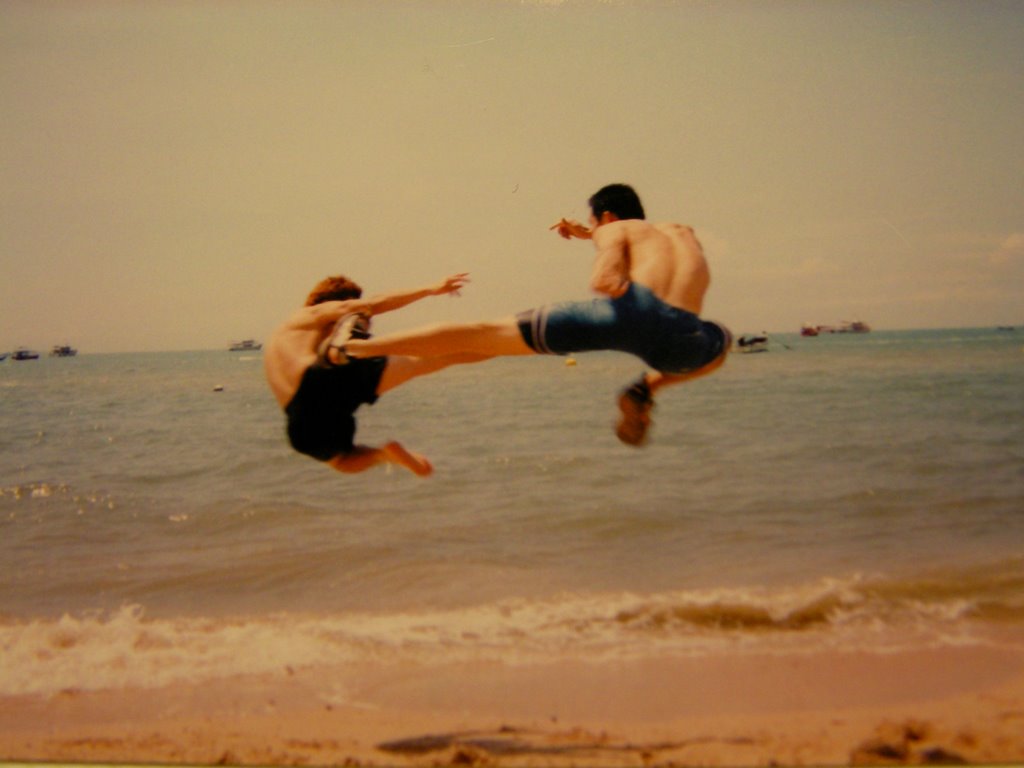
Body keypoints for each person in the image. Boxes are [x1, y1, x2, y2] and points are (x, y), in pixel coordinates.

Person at [343, 184, 731, 446]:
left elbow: (604, 279)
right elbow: (633, 240)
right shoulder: (679, 232)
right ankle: (646, 390)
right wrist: (586, 233)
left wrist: (621, 289)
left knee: (480, 333)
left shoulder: (614, 230)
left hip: (634, 310)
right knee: (722, 339)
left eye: (594, 223)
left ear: (607, 217)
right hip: (685, 344)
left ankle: (355, 350)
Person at [264, 272, 487, 477]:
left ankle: (383, 456)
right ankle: (505, 343)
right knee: (435, 357)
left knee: (342, 461)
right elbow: (372, 304)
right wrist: (430, 289)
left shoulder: (282, 336)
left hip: (300, 427)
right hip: (321, 378)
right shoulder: (310, 313)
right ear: (335, 301)